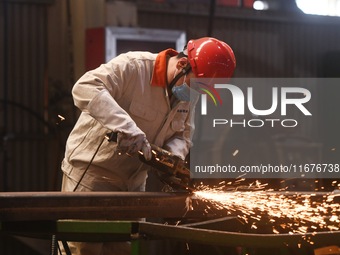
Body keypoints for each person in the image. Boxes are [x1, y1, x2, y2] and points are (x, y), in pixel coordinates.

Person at [60, 37, 236, 255]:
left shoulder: (191, 89)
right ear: (182, 65)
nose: (197, 95)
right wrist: (126, 127)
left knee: (123, 250)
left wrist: (171, 157)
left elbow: (184, 135)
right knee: (85, 249)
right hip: (93, 176)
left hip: (134, 182)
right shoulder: (134, 67)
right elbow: (85, 87)